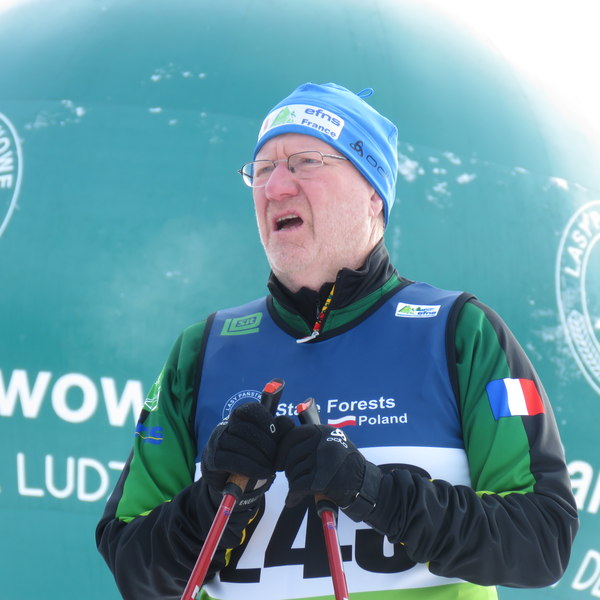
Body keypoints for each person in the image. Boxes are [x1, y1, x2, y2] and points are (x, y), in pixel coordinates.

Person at [96, 82, 579, 600]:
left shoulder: (459, 331)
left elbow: (542, 541)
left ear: (373, 193)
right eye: (262, 169)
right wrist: (215, 501)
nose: (275, 187)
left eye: (305, 162)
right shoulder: (204, 351)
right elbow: (134, 568)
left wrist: (375, 492)